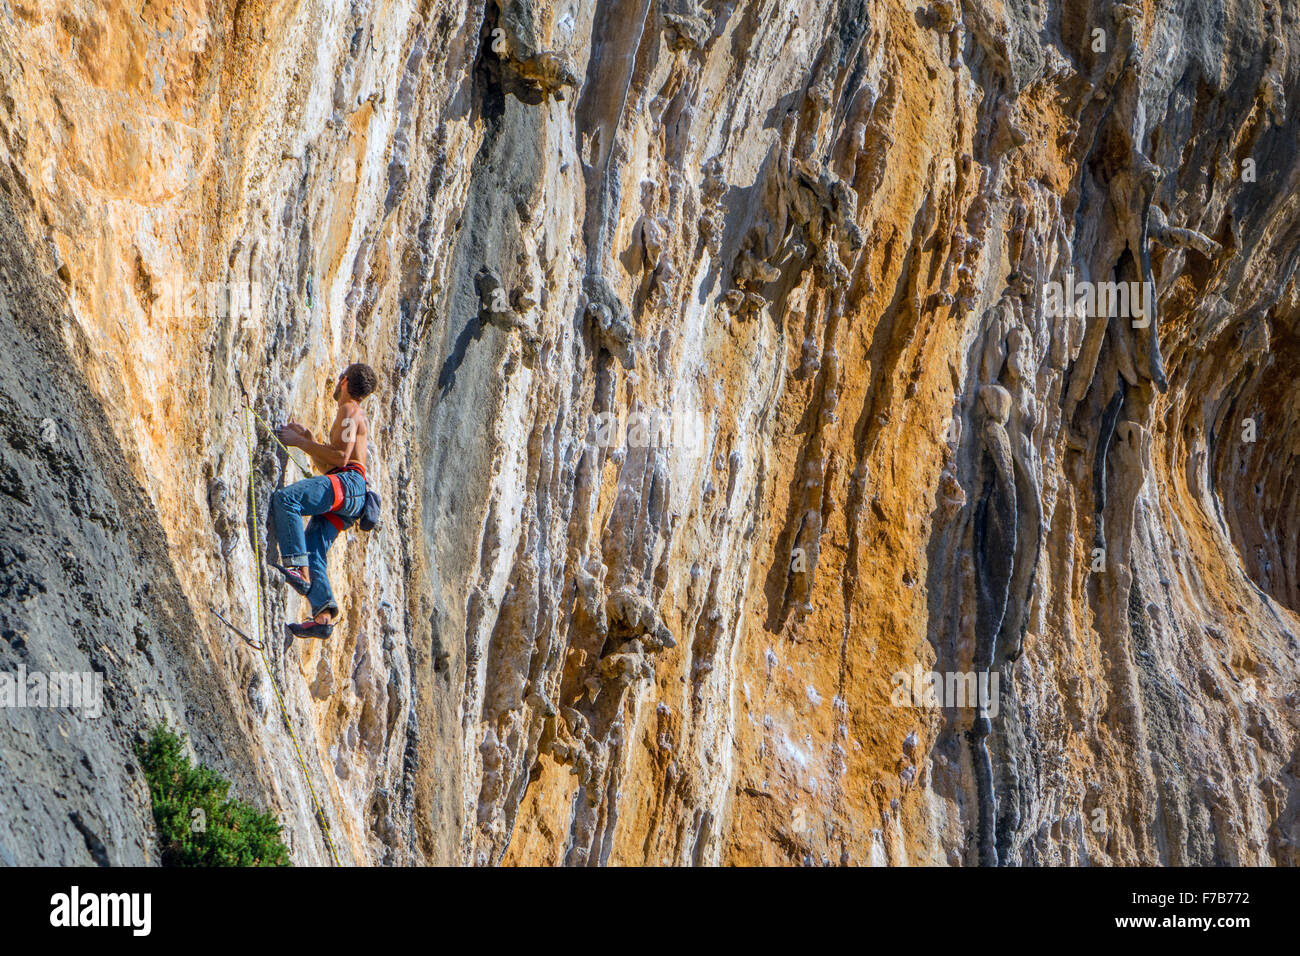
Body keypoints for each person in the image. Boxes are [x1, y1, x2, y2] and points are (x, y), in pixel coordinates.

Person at [269, 362, 377, 639]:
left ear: (344, 380)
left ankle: (296, 568)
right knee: (314, 549)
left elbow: (341, 461)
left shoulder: (349, 409)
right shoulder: (353, 412)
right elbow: (331, 465)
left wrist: (298, 442)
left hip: (349, 484)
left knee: (286, 500)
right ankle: (323, 617)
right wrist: (310, 439)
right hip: (351, 495)